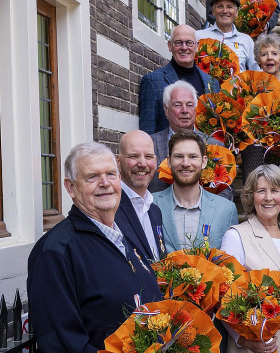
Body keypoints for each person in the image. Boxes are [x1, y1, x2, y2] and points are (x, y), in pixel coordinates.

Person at [27, 143, 161, 352]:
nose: (105, 183)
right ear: (70, 187)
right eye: (92, 177)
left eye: (111, 174)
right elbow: (61, 343)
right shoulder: (56, 252)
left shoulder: (120, 236)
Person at [220, 165, 280, 353]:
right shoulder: (236, 236)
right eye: (261, 191)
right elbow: (224, 301)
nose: (268, 198)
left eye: (275, 190)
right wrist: (245, 341)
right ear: (251, 197)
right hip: (260, 347)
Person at [153, 130, 238, 252]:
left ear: (203, 162)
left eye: (193, 157)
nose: (186, 163)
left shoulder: (226, 210)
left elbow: (231, 262)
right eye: (179, 156)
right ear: (169, 162)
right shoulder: (151, 204)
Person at [139, 25, 220, 134]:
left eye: (189, 43)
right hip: (168, 149)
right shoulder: (153, 81)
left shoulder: (212, 83)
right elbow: (147, 132)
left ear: (197, 46)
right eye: (178, 43)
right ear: (169, 46)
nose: (184, 47)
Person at [148, 80, 224, 194]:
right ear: (166, 110)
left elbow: (227, 190)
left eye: (189, 105)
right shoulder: (150, 144)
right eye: (177, 105)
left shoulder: (216, 146)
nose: (184, 111)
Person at [115, 130, 165, 261]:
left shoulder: (155, 211)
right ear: (118, 162)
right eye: (133, 156)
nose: (143, 163)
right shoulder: (110, 209)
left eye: (148, 157)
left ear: (155, 161)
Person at [196, 0, 258, 72]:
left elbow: (256, 72)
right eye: (220, 6)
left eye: (229, 7)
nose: (225, 11)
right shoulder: (199, 36)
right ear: (213, 11)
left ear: (236, 12)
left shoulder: (246, 41)